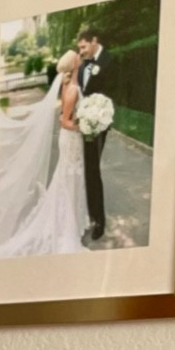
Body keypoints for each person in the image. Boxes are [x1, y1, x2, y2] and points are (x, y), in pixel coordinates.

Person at [0, 50, 88, 259]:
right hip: (71, 139)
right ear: (73, 64)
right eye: (77, 56)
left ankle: (69, 219)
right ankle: (66, 224)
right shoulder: (72, 88)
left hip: (69, 139)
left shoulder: (68, 85)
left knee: (68, 178)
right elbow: (64, 121)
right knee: (70, 178)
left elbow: (64, 117)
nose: (80, 58)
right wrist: (86, 127)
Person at [76, 25, 114, 242]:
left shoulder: (110, 60)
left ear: (94, 41)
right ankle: (88, 215)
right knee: (86, 170)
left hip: (99, 123)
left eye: (84, 47)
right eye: (80, 48)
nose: (81, 51)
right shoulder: (83, 65)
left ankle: (99, 221)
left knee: (92, 170)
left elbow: (115, 92)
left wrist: (102, 118)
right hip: (84, 123)